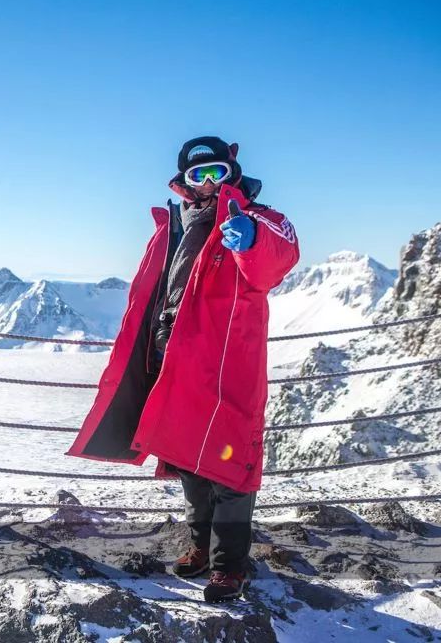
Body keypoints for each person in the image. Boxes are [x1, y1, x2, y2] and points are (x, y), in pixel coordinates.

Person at [65, 136, 300, 602]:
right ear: (183, 182)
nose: (209, 184)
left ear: (232, 171)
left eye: (217, 172)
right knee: (187, 454)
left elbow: (278, 258)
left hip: (229, 355)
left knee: (232, 462)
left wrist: (249, 242)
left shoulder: (257, 217)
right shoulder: (172, 224)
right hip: (170, 349)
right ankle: (200, 546)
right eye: (199, 175)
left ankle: (229, 567)